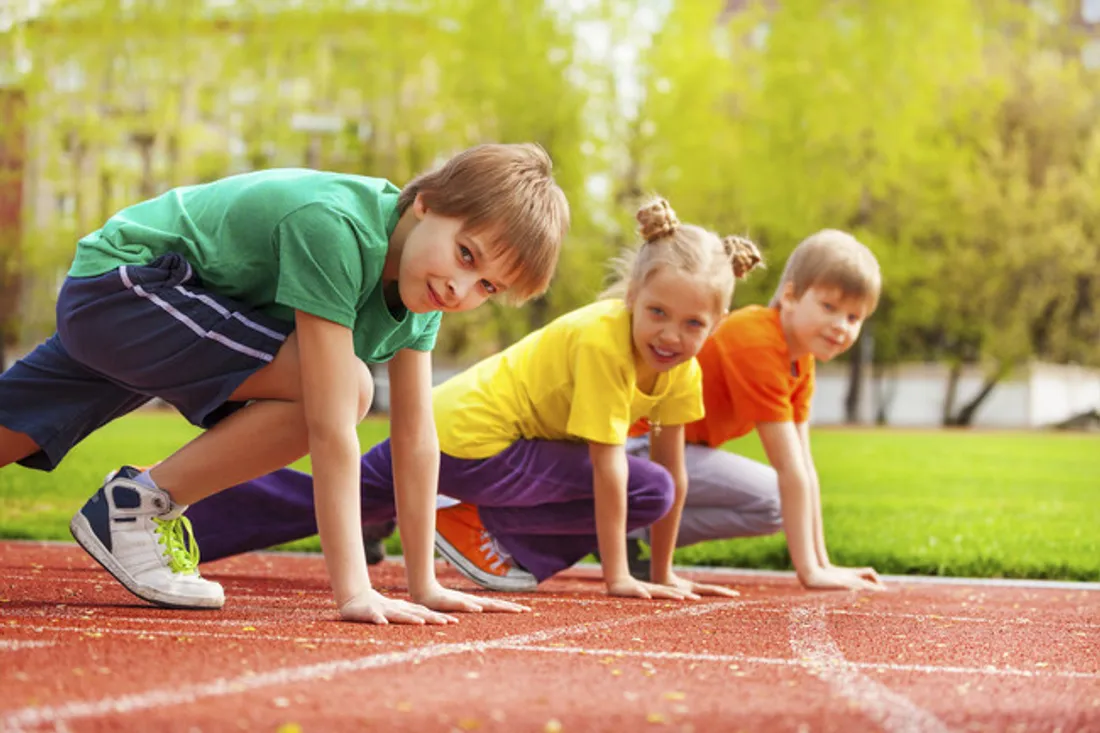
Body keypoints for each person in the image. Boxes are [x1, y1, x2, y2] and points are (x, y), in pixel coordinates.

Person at [0, 143, 569, 623]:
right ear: (426, 205)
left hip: (153, 312)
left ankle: (135, 504)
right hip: (128, 287)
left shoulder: (423, 294)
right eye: (466, 254)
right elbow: (327, 420)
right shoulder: (336, 227)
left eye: (487, 287)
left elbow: (416, 439)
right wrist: (354, 591)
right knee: (347, 389)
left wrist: (423, 583)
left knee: (13, 428)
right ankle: (136, 505)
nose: (460, 289)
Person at [181, 197, 762, 601]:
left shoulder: (679, 365)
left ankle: (177, 528)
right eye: (657, 312)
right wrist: (619, 578)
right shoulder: (602, 342)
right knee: (645, 488)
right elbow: (611, 471)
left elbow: (677, 471)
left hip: (456, 433)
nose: (670, 334)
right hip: (474, 442)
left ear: (718, 322)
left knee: (333, 497)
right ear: (634, 295)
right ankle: (480, 534)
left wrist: (665, 572)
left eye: (692, 324)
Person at [621, 229, 886, 590]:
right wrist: (809, 572)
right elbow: (788, 469)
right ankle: (608, 516)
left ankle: (633, 530)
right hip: (637, 445)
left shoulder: (799, 360)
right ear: (790, 295)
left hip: (679, 451)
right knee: (777, 494)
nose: (841, 326)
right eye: (829, 307)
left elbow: (806, 465)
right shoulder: (756, 341)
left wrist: (826, 563)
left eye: (854, 318)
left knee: (774, 505)